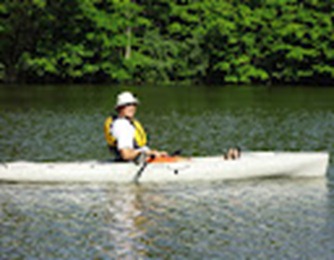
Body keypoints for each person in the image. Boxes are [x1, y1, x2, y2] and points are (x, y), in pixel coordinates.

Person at [104, 91, 168, 162]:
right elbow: (126, 155)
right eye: (127, 105)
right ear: (120, 108)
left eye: (134, 105)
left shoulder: (129, 123)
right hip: (134, 163)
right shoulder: (122, 125)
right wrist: (148, 153)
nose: (131, 107)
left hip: (141, 160)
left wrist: (156, 153)